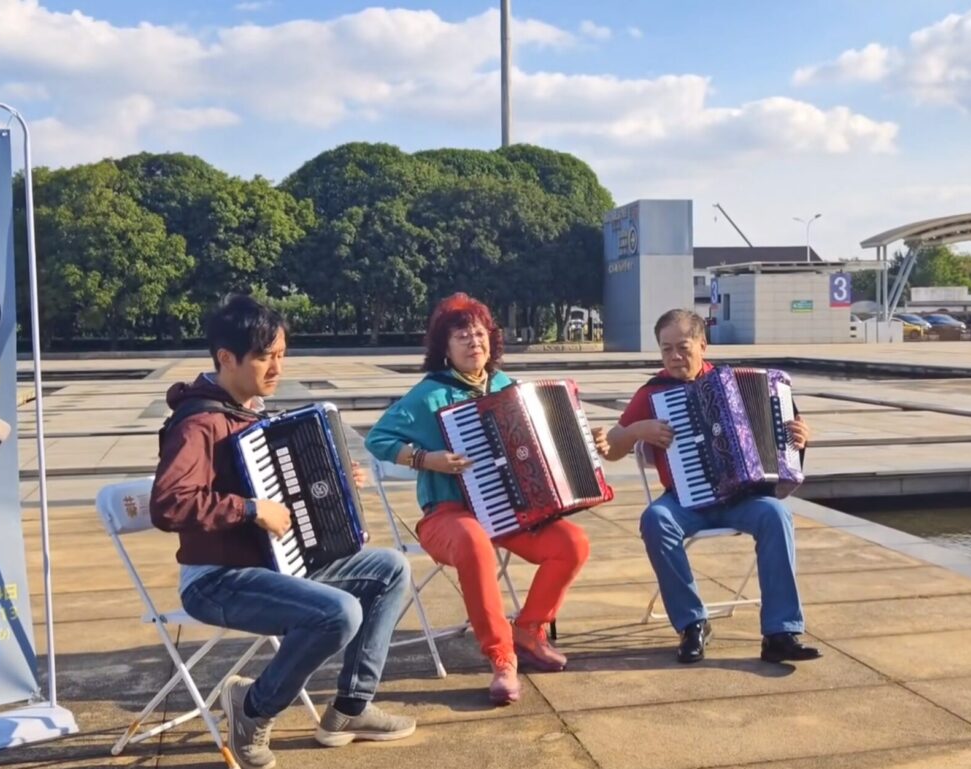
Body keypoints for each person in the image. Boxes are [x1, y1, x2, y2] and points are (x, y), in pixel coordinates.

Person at [151, 295, 415, 769]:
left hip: (273, 565)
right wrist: (251, 508)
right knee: (338, 613)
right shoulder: (198, 423)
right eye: (264, 357)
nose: (276, 368)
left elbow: (282, 486)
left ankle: (350, 709)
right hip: (216, 579)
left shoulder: (247, 410)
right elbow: (169, 503)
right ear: (226, 358)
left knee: (391, 568)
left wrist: (336, 478)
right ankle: (253, 709)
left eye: (281, 355)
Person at [365, 292, 590, 705]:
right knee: (473, 542)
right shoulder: (428, 394)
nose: (474, 342)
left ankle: (529, 629)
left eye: (480, 333)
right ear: (444, 348)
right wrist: (424, 458)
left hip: (512, 510)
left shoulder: (509, 387)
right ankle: (502, 657)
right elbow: (378, 440)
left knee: (573, 543)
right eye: (462, 335)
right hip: (446, 514)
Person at [594, 309, 821, 666]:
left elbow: (784, 437)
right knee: (655, 519)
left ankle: (780, 632)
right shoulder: (653, 392)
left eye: (682, 348)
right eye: (666, 349)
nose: (673, 357)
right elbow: (615, 445)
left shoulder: (733, 382)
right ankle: (692, 624)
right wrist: (639, 431)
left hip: (742, 498)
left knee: (777, 514)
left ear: (703, 344)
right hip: (683, 501)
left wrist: (800, 439)